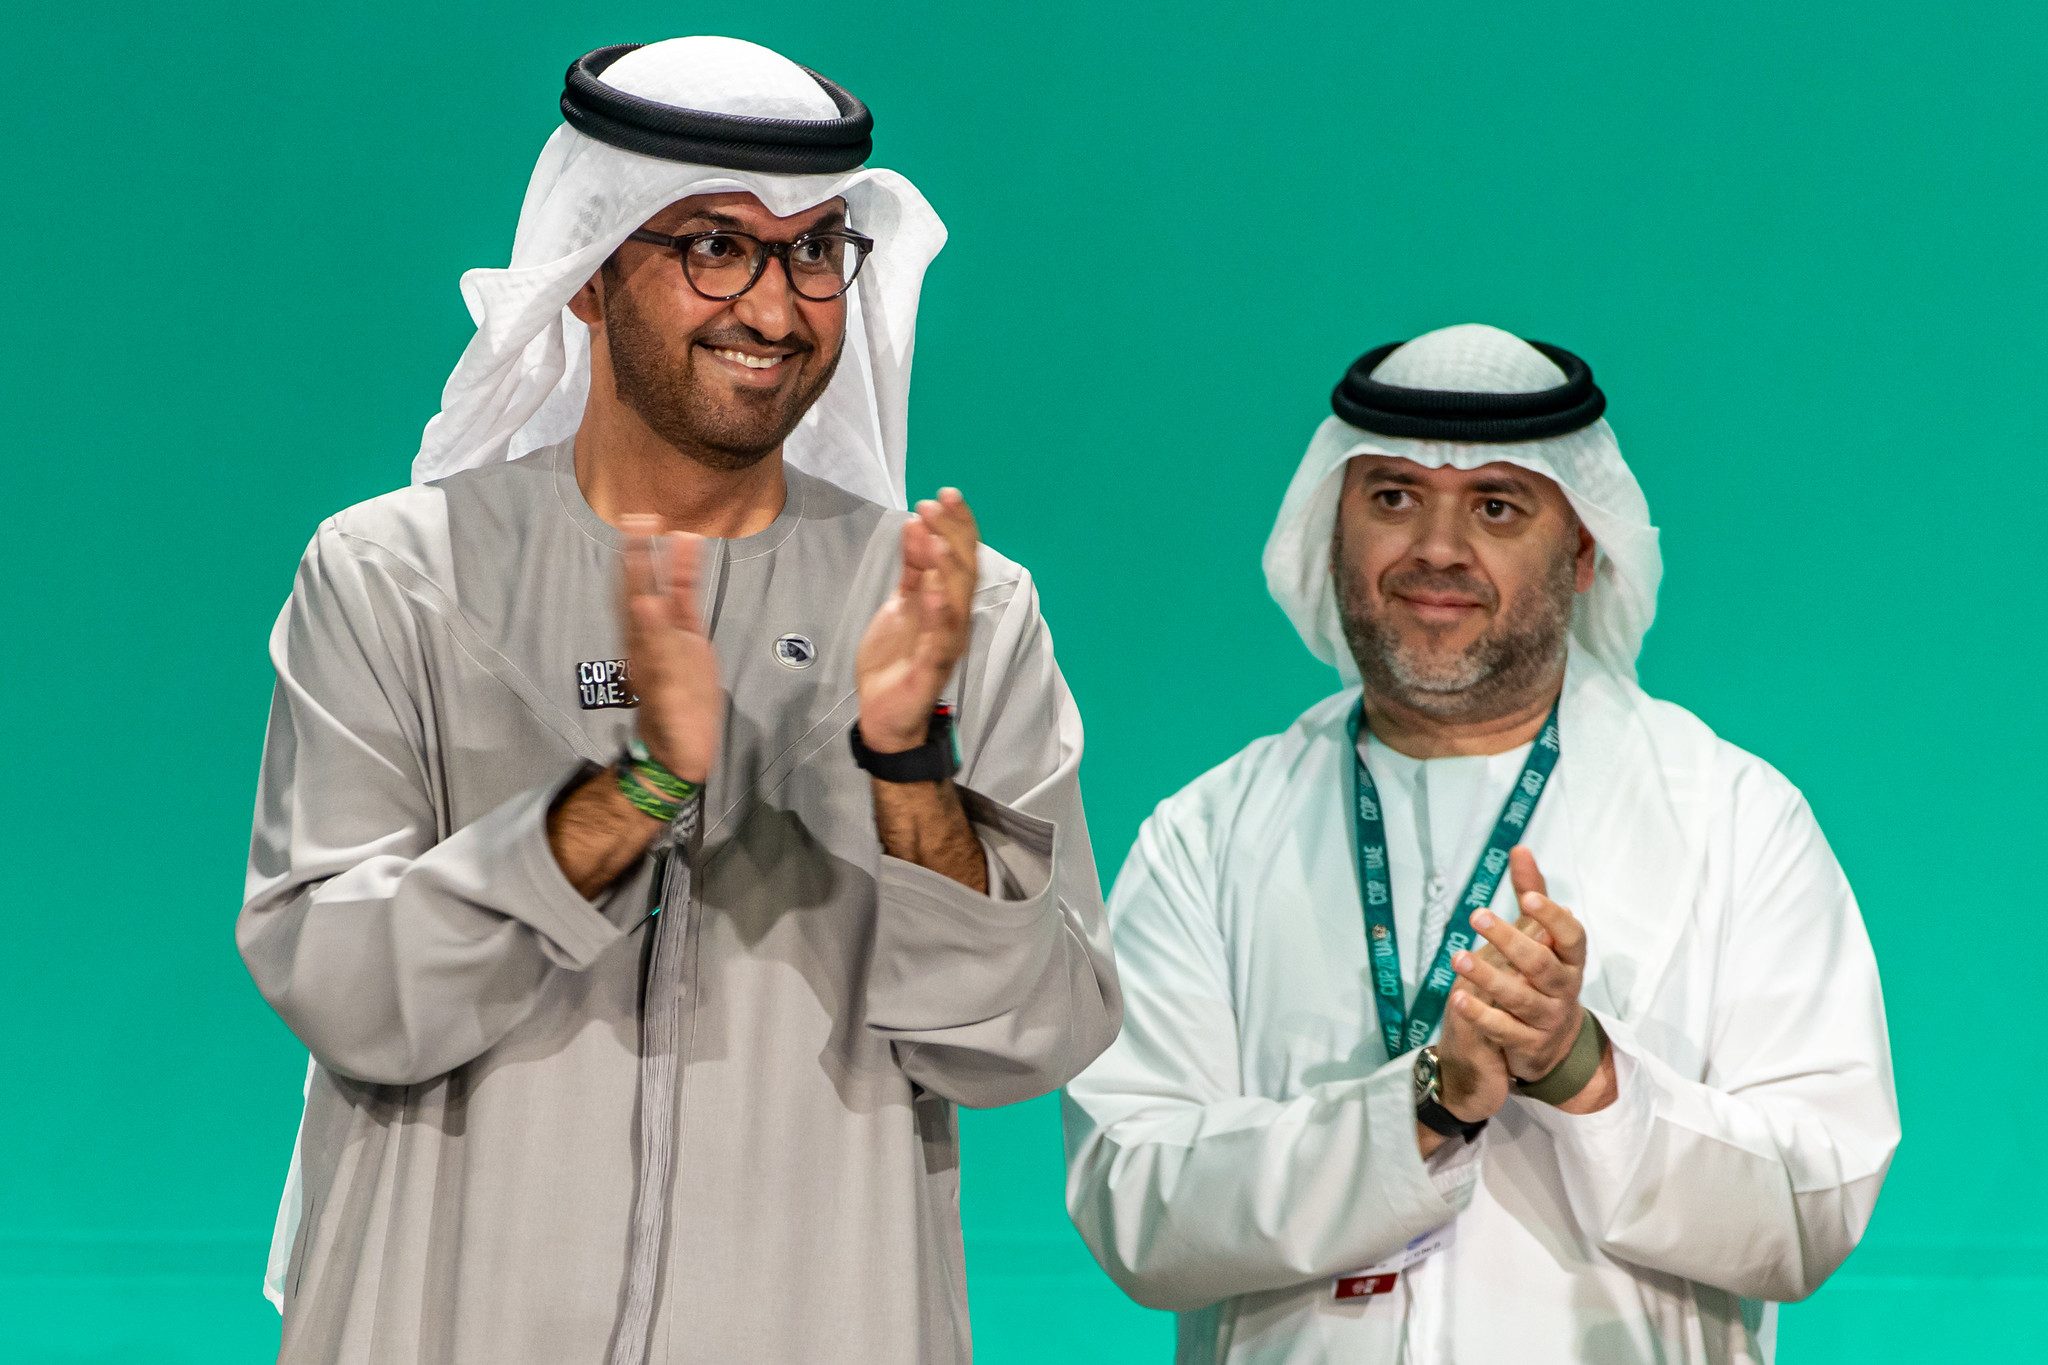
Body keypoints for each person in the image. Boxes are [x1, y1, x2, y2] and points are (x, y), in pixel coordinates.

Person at [238, 36, 1118, 1364]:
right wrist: (631, 793)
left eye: (816, 251)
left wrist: (907, 769)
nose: (775, 308)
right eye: (715, 245)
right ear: (589, 276)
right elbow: (344, 985)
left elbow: (1028, 1037)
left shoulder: (958, 613)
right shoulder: (397, 579)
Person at [1062, 323, 1896, 1363]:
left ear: (1582, 550)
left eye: (1495, 506)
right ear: (1333, 532)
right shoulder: (1210, 834)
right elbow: (1132, 1201)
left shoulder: (1731, 818)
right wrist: (1424, 1105)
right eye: (1392, 498)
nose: (1436, 551)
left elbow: (1809, 1209)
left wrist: (1583, 1069)